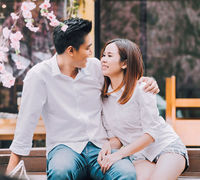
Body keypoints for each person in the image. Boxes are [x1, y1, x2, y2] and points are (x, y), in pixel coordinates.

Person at [6, 18, 159, 180]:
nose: (91, 53)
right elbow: (26, 122)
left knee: (125, 173)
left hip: (101, 145)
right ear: (71, 51)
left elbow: (122, 81)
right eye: (87, 48)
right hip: (64, 147)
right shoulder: (39, 76)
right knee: (60, 172)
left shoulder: (95, 68)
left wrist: (147, 81)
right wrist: (11, 169)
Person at [98, 38, 189, 180]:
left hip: (167, 147)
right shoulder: (104, 97)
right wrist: (107, 144)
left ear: (124, 63)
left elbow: (151, 133)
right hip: (139, 155)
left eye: (110, 56)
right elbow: (117, 138)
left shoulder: (142, 89)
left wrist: (119, 154)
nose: (103, 59)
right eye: (103, 55)